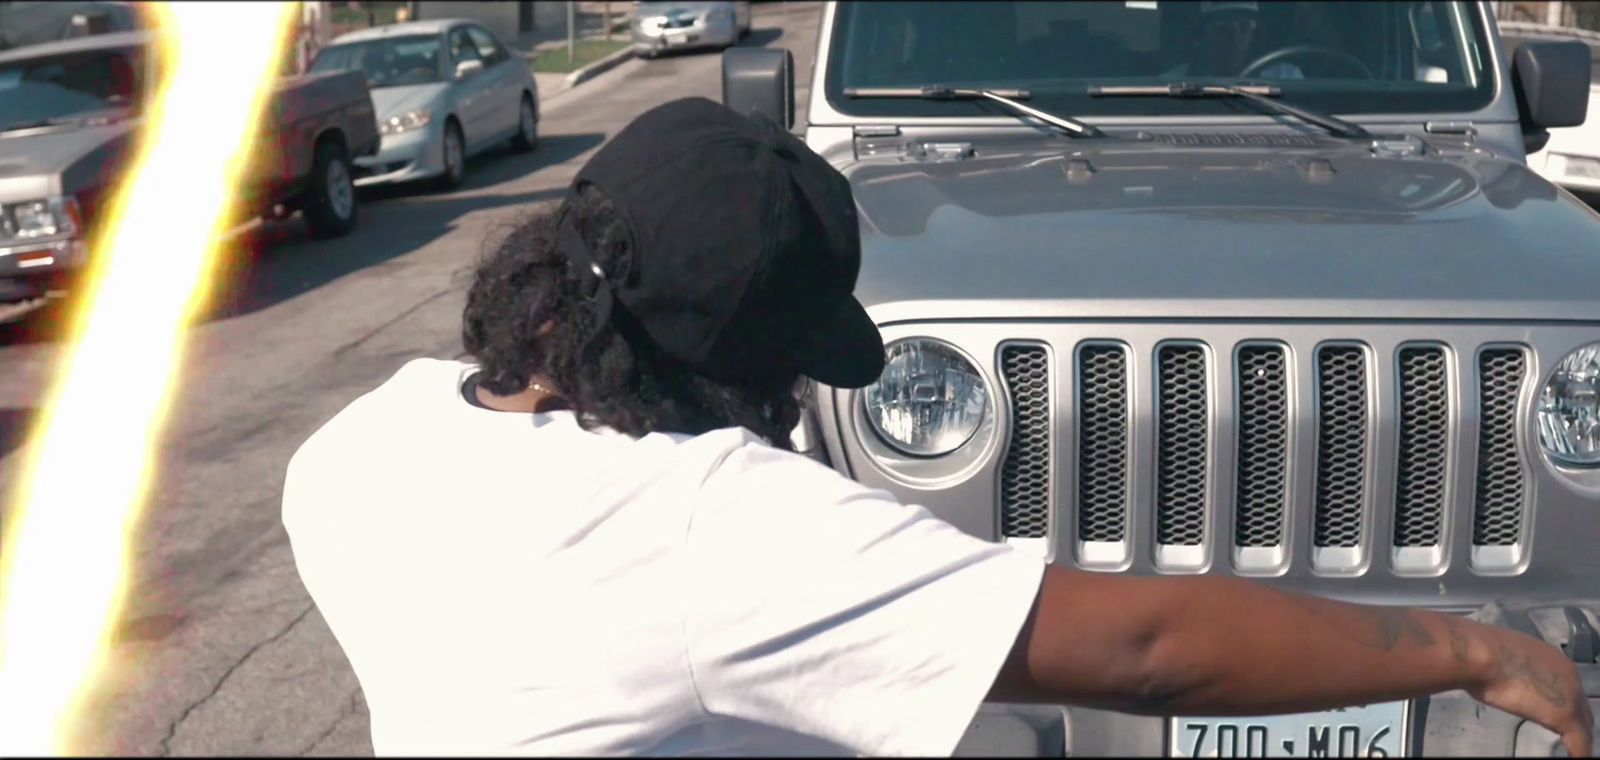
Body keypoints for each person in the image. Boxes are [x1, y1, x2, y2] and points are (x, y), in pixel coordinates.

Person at [280, 96, 1593, 757]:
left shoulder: (357, 453)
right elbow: (1146, 647)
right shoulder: (713, 534)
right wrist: (1468, 649)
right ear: (738, 364)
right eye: (791, 362)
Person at [1163, 0, 1305, 79]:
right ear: (1202, 35)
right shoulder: (1171, 82)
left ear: (1255, 34)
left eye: (1244, 28)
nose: (1234, 39)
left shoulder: (1286, 78)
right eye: (1222, 29)